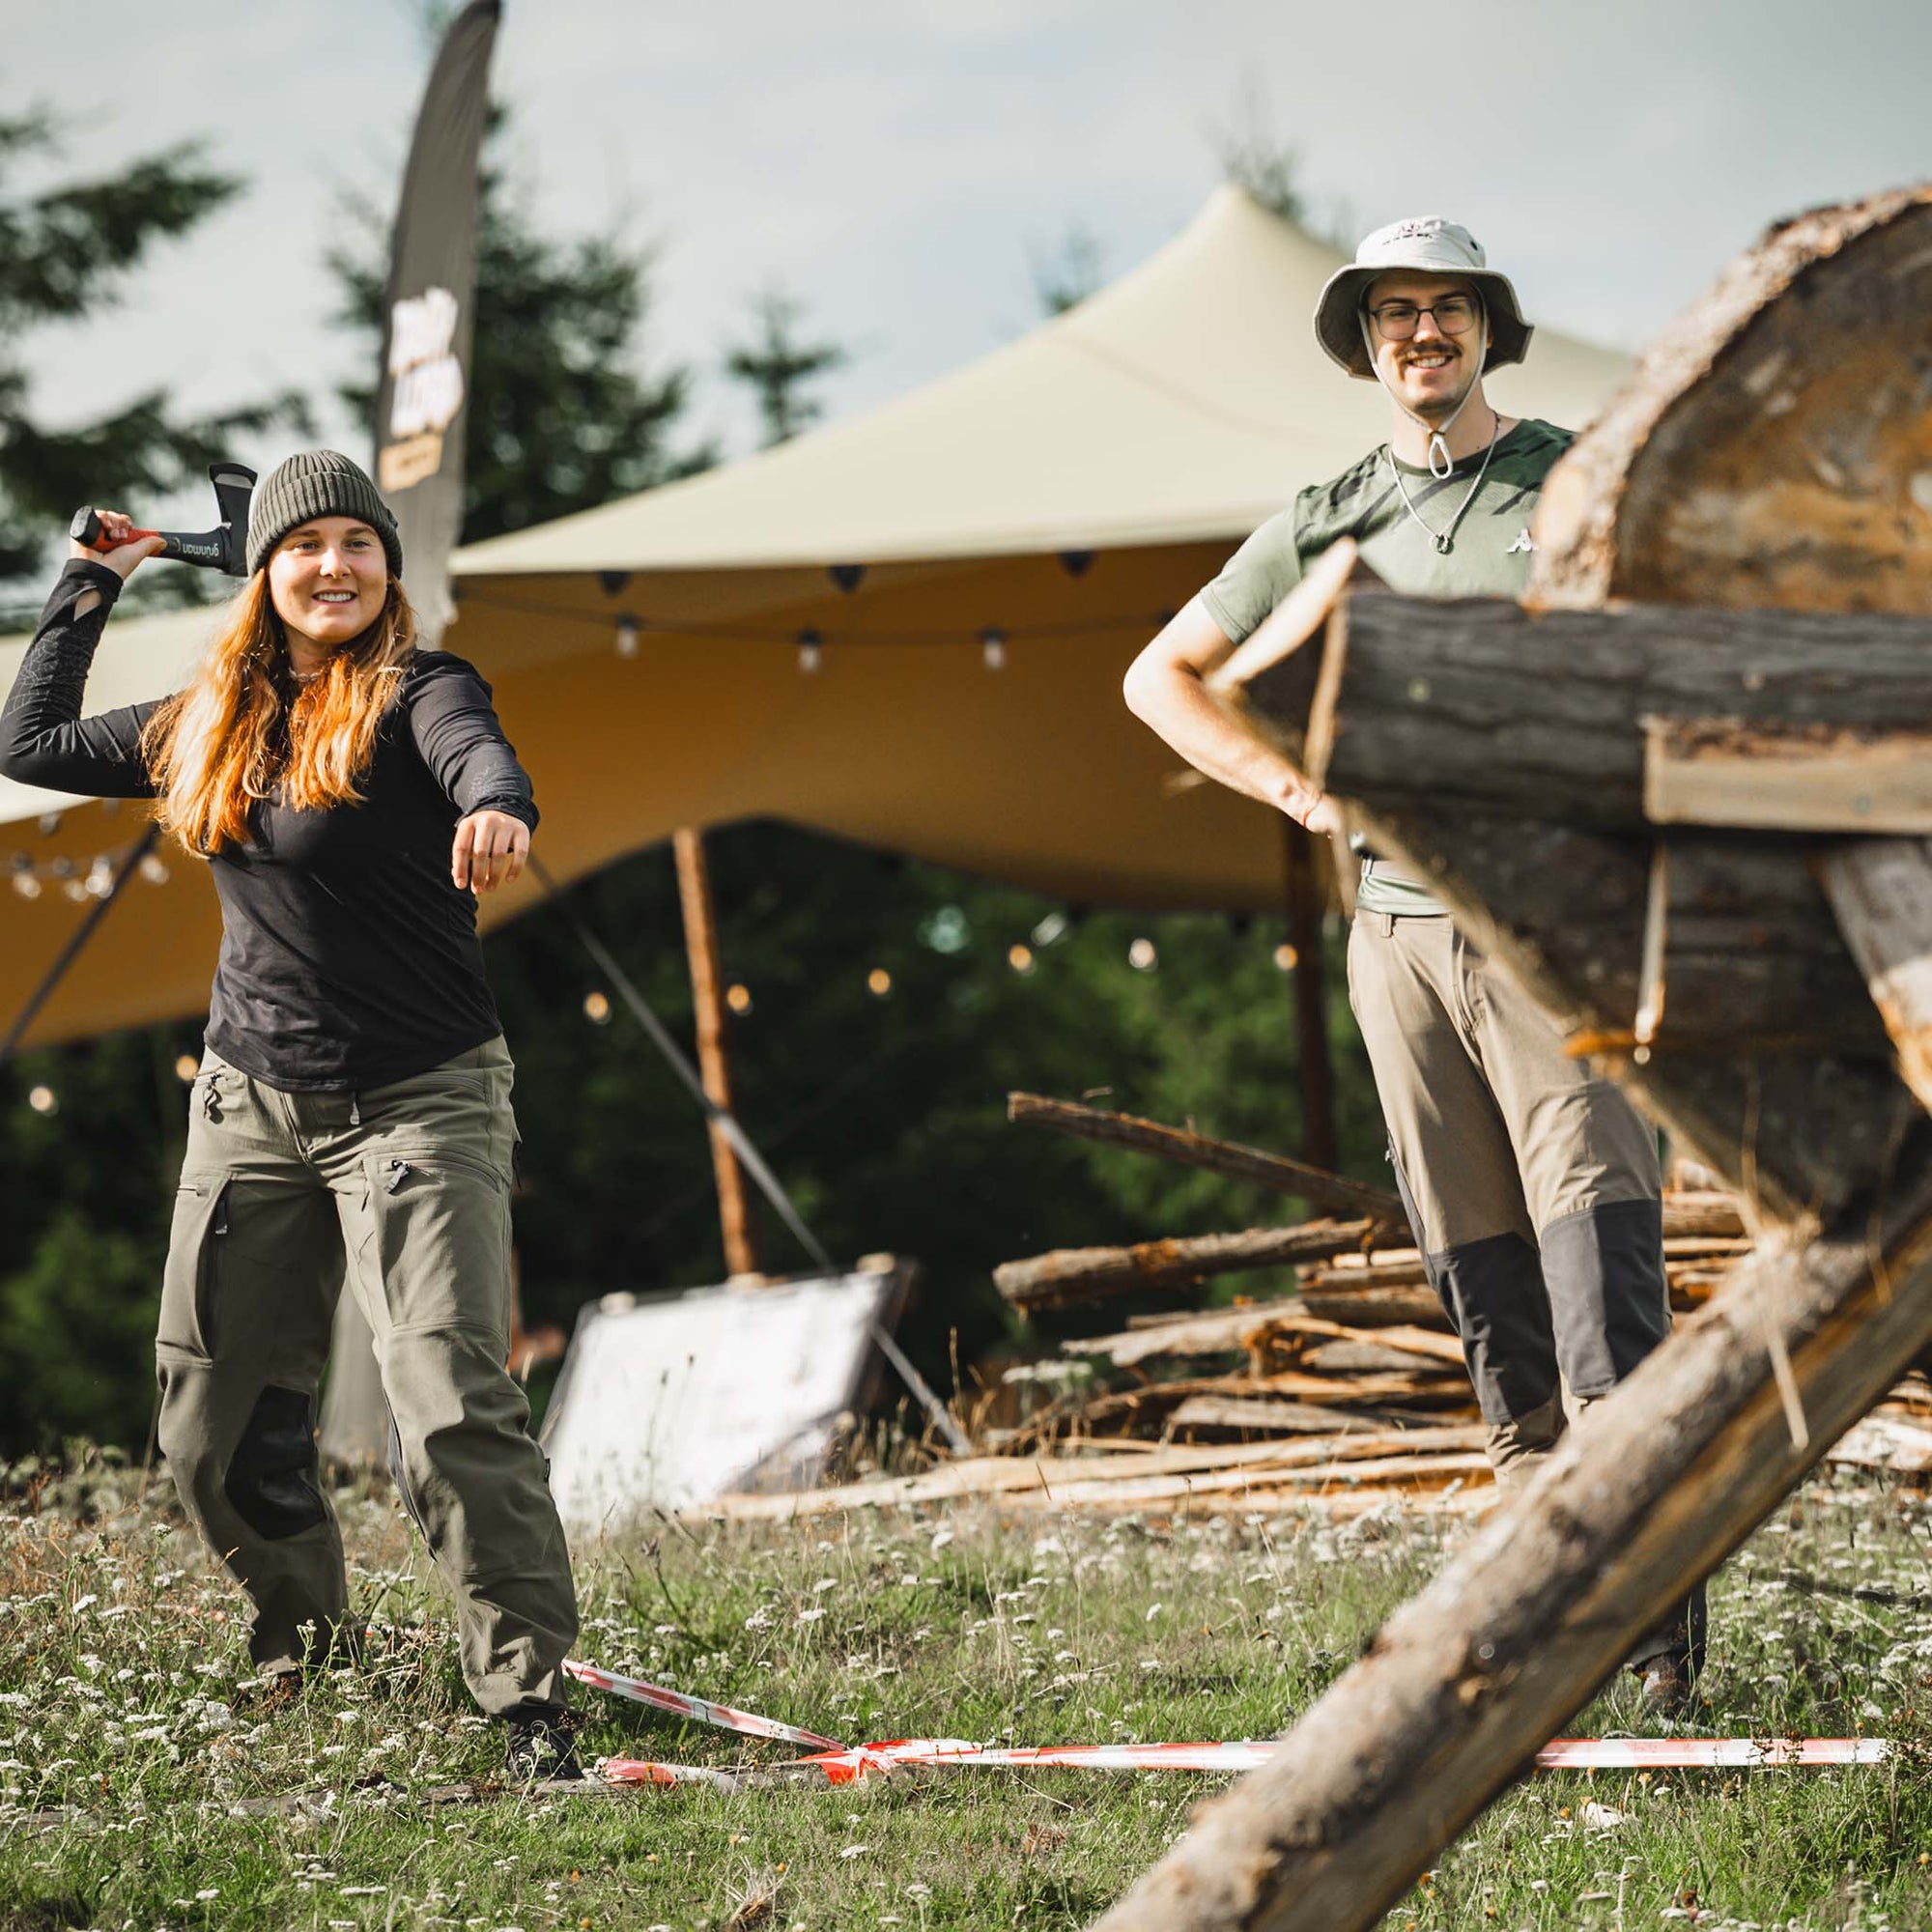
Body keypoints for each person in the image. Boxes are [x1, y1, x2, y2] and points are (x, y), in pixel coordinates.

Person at [1122, 218, 1697, 1702]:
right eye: (1394, 315)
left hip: (1557, 935)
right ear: (1368, 344)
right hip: (1396, 941)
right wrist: (1303, 794)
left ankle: (1656, 1658)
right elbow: (1157, 678)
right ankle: (1544, 1652)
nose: (1420, 334)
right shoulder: (1330, 512)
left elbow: (1667, 653)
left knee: (1601, 1299)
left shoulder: (1574, 481)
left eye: (1446, 310)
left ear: (1486, 330)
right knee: (1491, 1304)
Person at [0, 450, 585, 1776]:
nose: (334, 566)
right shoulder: (208, 717)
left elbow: (476, 755)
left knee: (446, 1397)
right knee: (209, 1423)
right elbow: (26, 743)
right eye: (303, 545)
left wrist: (497, 807)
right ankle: (307, 1651)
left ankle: (526, 1701)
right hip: (251, 1099)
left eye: (356, 543)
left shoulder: (421, 690)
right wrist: (93, 578)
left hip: (421, 1095)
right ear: (263, 573)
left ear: (387, 567)